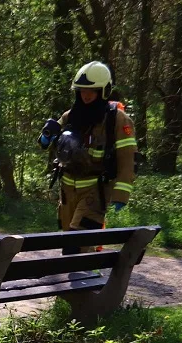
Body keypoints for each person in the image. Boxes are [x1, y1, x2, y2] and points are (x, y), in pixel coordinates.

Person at [38, 61, 138, 253]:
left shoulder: (116, 119)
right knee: (69, 242)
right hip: (67, 190)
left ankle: (85, 276)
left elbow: (127, 159)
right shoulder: (70, 116)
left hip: (95, 190)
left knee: (77, 242)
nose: (86, 95)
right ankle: (86, 275)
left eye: (92, 90)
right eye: (82, 90)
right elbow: (45, 142)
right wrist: (46, 135)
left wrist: (121, 194)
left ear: (103, 91)